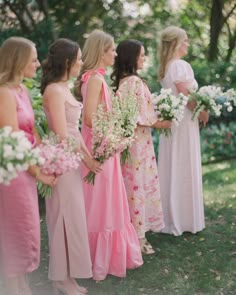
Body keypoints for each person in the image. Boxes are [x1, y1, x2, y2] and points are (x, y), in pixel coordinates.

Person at [74, 29, 143, 281]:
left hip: (105, 145)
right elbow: (90, 118)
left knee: (106, 202)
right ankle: (97, 259)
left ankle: (107, 255)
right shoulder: (94, 79)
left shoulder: (96, 78)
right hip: (98, 148)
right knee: (100, 205)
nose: (115, 53)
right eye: (111, 49)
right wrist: (116, 128)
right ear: (100, 52)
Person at [41, 38, 101, 295]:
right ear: (67, 61)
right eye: (77, 59)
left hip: (72, 161)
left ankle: (70, 276)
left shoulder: (65, 87)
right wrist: (85, 158)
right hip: (61, 162)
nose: (81, 62)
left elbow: (75, 131)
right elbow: (62, 133)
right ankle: (60, 279)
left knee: (74, 219)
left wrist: (88, 158)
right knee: (63, 218)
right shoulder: (54, 90)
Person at [0, 37, 56, 295]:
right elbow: (13, 139)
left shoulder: (22, 89)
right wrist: (39, 174)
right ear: (19, 61)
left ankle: (23, 287)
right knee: (16, 232)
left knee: (29, 230)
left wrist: (47, 154)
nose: (37, 63)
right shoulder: (4, 93)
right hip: (13, 175)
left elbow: (31, 128)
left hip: (28, 171)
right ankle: (14, 289)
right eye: (33, 58)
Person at [111, 39, 171, 254]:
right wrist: (162, 122)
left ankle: (135, 233)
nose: (144, 58)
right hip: (137, 144)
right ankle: (138, 237)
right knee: (137, 186)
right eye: (142, 54)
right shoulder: (133, 82)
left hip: (136, 142)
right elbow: (140, 115)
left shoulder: (124, 81)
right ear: (132, 57)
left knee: (134, 187)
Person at [157, 26, 209, 236]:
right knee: (183, 163)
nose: (188, 44)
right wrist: (203, 110)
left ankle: (174, 216)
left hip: (174, 122)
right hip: (183, 122)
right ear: (176, 43)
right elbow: (187, 95)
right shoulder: (179, 65)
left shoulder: (168, 65)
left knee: (174, 164)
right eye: (185, 40)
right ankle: (183, 219)